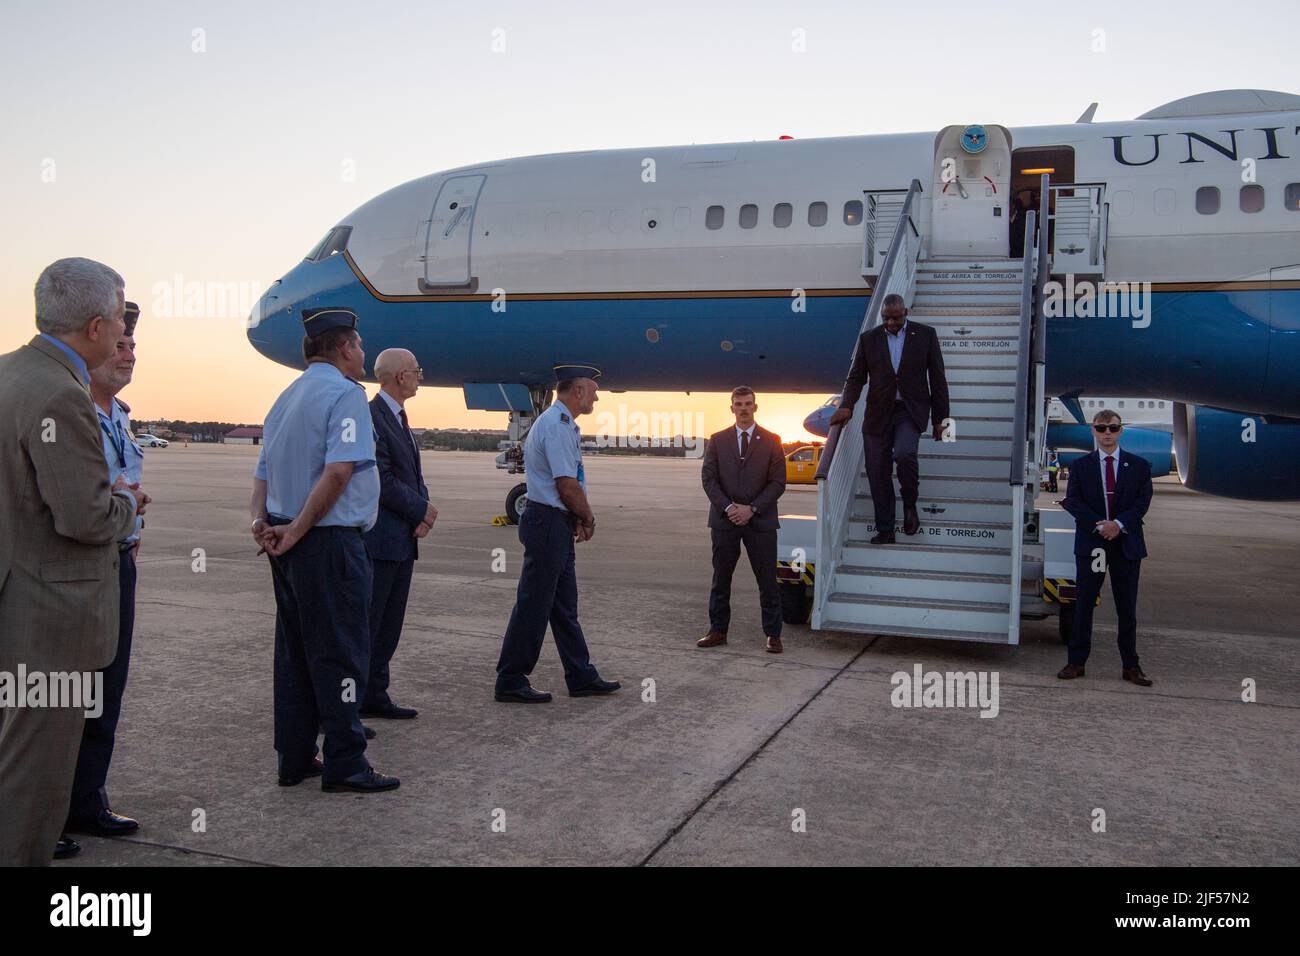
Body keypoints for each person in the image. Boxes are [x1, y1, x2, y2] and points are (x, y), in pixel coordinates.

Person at [0, 258, 146, 866]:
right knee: (33, 782)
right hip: (51, 619)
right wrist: (127, 503)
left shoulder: (10, 373)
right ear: (93, 325)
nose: (122, 334)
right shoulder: (63, 393)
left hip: (15, 601)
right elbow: (84, 519)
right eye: (118, 319)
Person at [250, 308, 399, 793]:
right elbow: (338, 473)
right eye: (358, 346)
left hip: (285, 541)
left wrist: (265, 524)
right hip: (328, 543)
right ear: (342, 349)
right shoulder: (344, 396)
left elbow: (263, 474)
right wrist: (298, 530)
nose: (363, 355)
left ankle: (294, 758)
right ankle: (346, 761)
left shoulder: (285, 399)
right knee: (342, 654)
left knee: (294, 653)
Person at [65, 301, 145, 841]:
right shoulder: (72, 412)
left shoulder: (121, 416)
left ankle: (86, 801)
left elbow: (127, 493)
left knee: (105, 691)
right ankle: (45, 806)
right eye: (119, 345)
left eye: (133, 347)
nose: (129, 354)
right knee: (68, 692)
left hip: (120, 562)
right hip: (80, 567)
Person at [494, 367, 620, 703]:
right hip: (548, 522)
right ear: (578, 390)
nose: (596, 397)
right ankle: (510, 678)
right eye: (593, 391)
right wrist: (588, 517)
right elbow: (567, 485)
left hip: (555, 522)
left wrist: (575, 516)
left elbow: (569, 483)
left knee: (563, 607)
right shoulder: (556, 426)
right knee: (534, 604)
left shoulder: (562, 424)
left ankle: (580, 675)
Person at [828, 293, 950, 544]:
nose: (891, 323)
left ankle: (909, 504)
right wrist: (846, 405)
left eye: (895, 318)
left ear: (905, 312)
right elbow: (856, 377)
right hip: (878, 414)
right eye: (886, 318)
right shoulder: (869, 339)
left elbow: (938, 379)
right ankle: (886, 529)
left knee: (904, 454)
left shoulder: (925, 335)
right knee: (877, 471)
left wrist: (941, 421)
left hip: (909, 410)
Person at [361, 348, 434, 721]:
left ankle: (375, 694)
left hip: (401, 538)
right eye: (416, 370)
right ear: (400, 376)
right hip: (382, 540)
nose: (420, 375)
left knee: (389, 626)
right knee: (370, 626)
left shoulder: (398, 417)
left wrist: (422, 510)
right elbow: (382, 480)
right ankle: (355, 701)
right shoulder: (374, 417)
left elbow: (410, 476)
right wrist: (421, 510)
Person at [1057, 410, 1154, 686]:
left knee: (1127, 609)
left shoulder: (1138, 466)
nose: (1107, 433)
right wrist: (1101, 526)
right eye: (1102, 428)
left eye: (1112, 428)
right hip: (1093, 544)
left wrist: (1119, 525)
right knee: (1084, 604)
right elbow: (1073, 502)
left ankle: (1130, 666)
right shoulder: (1080, 466)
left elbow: (1142, 501)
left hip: (1126, 544)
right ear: (1093, 431)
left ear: (1121, 431)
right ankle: (1076, 662)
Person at [698, 386, 787, 653]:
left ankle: (773, 634)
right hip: (724, 522)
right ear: (732, 408)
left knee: (767, 580)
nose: (744, 408)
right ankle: (717, 631)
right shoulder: (717, 439)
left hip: (761, 522)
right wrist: (728, 508)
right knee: (721, 578)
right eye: (739, 404)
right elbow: (708, 479)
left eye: (748, 403)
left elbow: (778, 482)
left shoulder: (772, 440)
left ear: (755, 407)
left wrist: (752, 509)